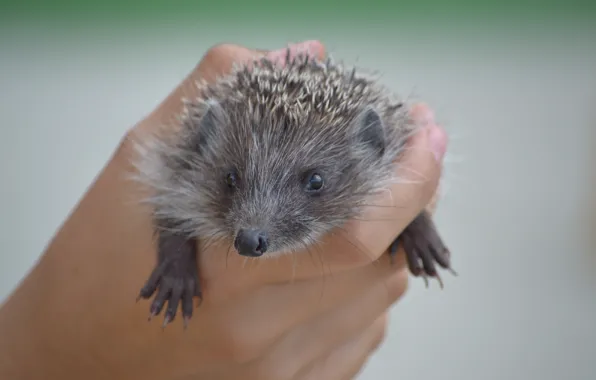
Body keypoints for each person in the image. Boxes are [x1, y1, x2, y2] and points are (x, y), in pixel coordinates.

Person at [0, 40, 447, 380]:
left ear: (372, 146)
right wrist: (176, 263)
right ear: (207, 144)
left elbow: (402, 198)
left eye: (313, 184)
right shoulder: (194, 169)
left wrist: (415, 224)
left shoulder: (376, 163)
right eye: (232, 182)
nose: (252, 229)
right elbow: (172, 206)